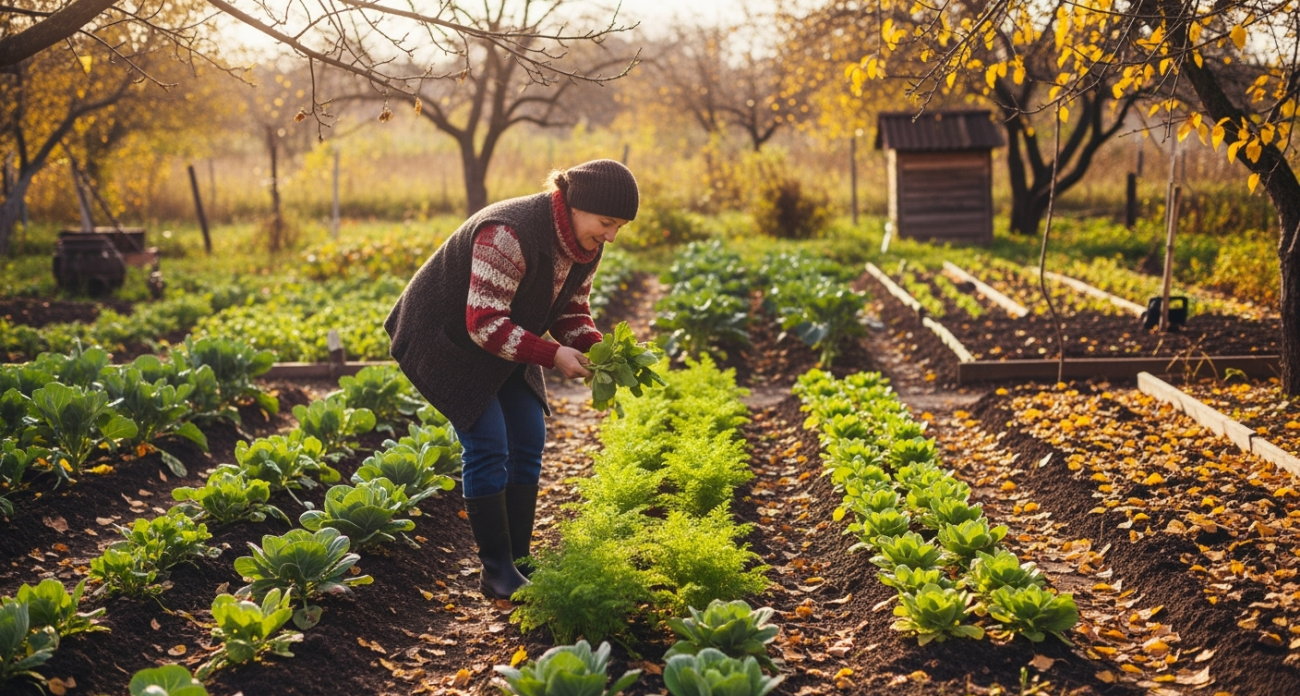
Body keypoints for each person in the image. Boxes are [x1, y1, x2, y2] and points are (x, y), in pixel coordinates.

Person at [385, 159, 638, 600]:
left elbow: (572, 311)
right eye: (607, 223)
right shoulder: (509, 233)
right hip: (445, 341)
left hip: (505, 338)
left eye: (619, 227)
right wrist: (554, 355)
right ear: (577, 205)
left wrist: (602, 353)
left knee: (529, 436)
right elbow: (483, 323)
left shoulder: (585, 247)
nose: (611, 236)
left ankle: (521, 561)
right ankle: (497, 570)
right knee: (488, 444)